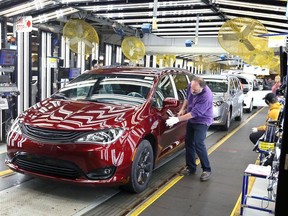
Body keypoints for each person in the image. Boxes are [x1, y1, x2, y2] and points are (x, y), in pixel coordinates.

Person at [166, 76, 213, 181]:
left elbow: (194, 113)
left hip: (202, 121)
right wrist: (183, 109)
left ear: (201, 88)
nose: (192, 91)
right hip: (191, 120)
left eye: (195, 90)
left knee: (198, 143)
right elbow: (187, 98)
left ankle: (206, 169)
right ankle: (191, 168)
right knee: (188, 142)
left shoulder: (206, 96)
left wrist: (178, 119)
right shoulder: (192, 85)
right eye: (191, 88)